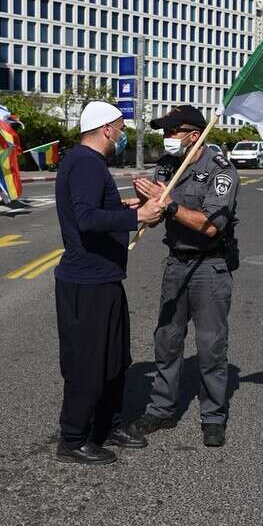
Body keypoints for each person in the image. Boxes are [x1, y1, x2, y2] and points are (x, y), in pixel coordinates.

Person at [54, 101, 163, 465]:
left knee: (116, 359)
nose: (122, 134)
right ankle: (72, 438)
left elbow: (95, 208)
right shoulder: (85, 163)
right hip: (86, 281)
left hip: (105, 276)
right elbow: (85, 218)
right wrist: (138, 217)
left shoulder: (88, 163)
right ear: (106, 130)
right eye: (120, 128)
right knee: (88, 362)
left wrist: (128, 207)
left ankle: (108, 424)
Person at [131, 105, 240, 448]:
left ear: (194, 136)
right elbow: (152, 218)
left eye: (172, 133)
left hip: (209, 266)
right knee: (167, 339)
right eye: (164, 133)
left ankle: (213, 416)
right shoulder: (167, 166)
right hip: (176, 263)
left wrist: (169, 205)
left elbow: (210, 226)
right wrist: (145, 205)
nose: (166, 139)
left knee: (211, 346)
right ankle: (162, 408)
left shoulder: (221, 172)